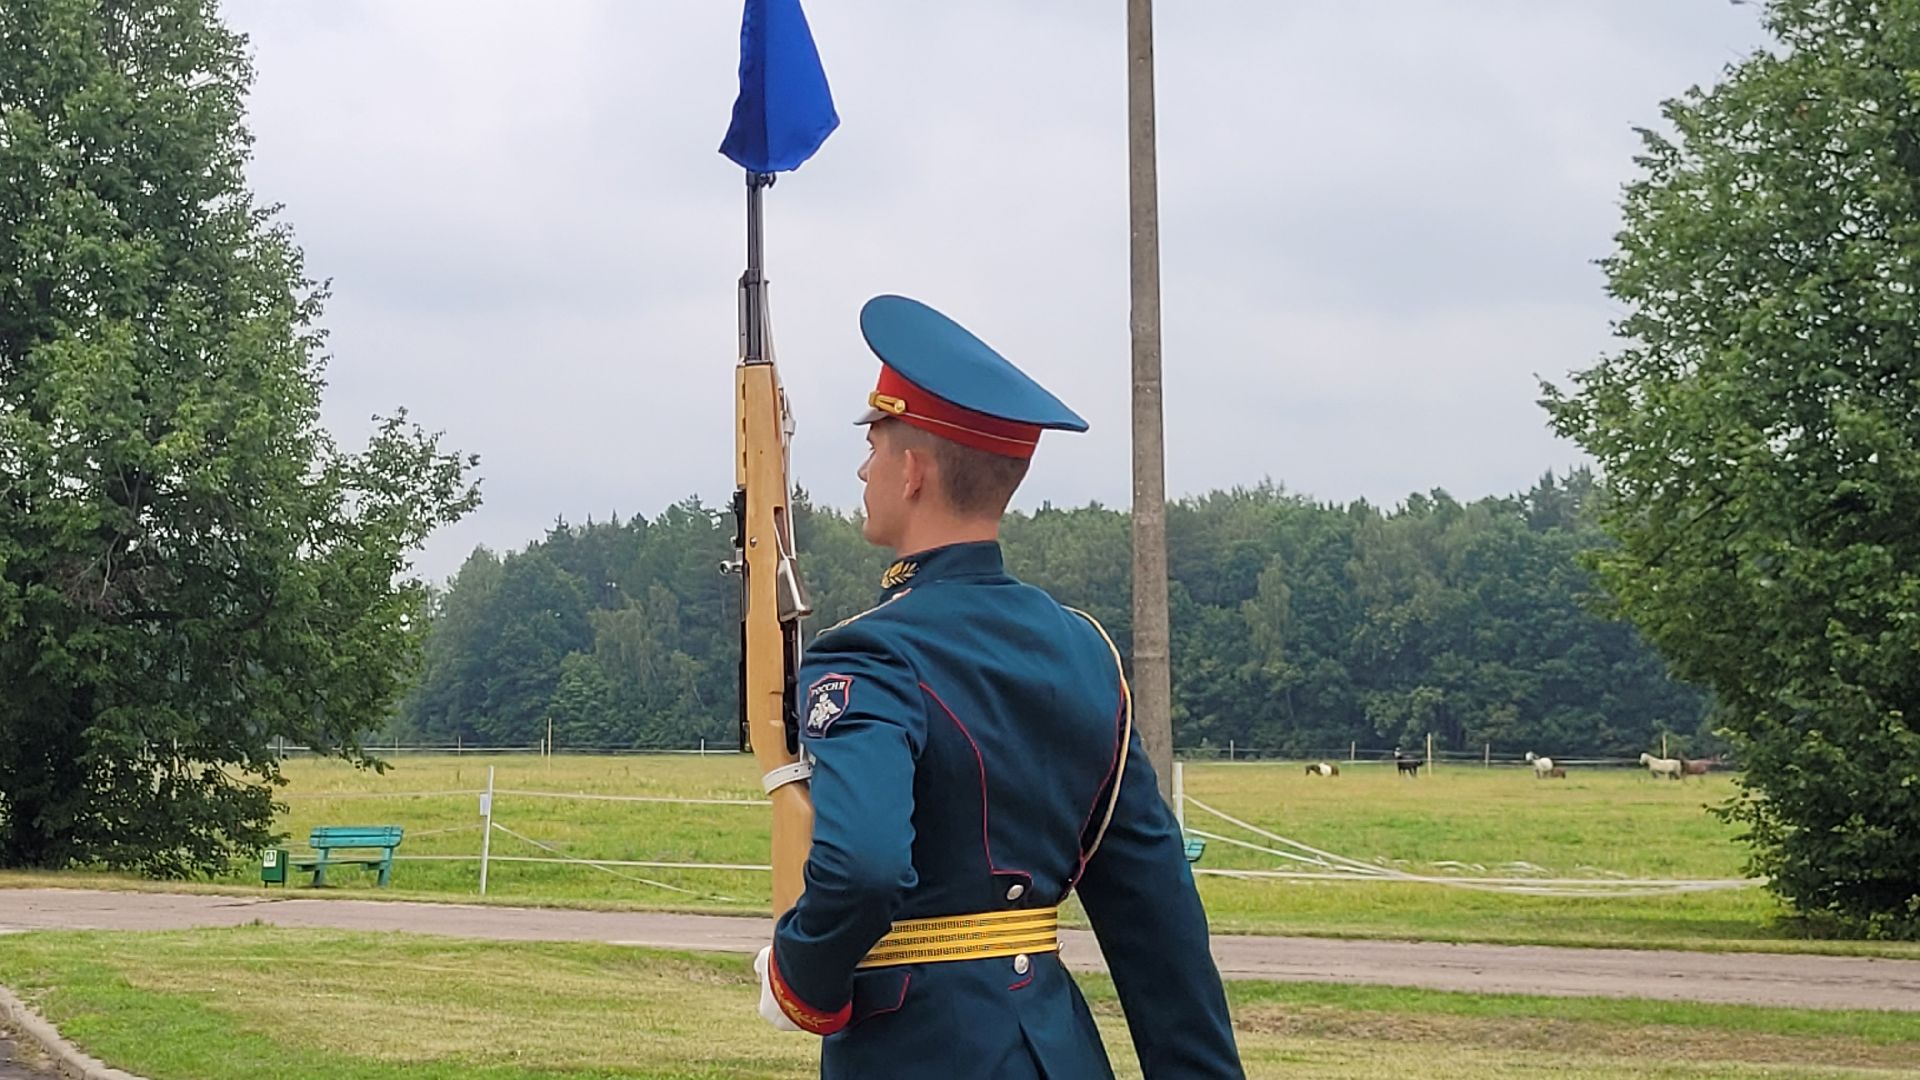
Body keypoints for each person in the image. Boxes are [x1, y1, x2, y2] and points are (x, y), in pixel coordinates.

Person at [753, 294, 1244, 1079]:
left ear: (913, 471)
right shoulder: (1085, 651)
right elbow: (1158, 919)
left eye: (875, 443)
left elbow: (865, 867)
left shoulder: (867, 656)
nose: (862, 467)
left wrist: (798, 974)